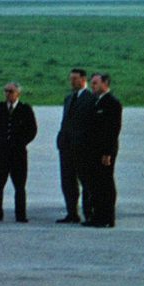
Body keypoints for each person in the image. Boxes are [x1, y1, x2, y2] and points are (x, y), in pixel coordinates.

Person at [0, 80, 37, 222]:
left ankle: (20, 214)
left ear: (18, 93)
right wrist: (3, 139)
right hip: (1, 151)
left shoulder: (25, 109)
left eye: (11, 91)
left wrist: (20, 142)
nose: (7, 94)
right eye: (6, 91)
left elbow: (32, 130)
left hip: (18, 153)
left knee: (20, 185)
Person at [83, 72, 122, 228]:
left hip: (105, 151)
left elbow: (113, 130)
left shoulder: (112, 103)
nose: (93, 86)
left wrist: (107, 152)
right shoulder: (97, 102)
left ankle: (108, 217)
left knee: (106, 183)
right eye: (92, 83)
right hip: (94, 150)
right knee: (96, 184)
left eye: (96, 83)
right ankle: (98, 216)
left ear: (105, 84)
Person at [55, 67, 92, 224]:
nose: (72, 81)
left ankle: (89, 213)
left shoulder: (90, 98)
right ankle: (72, 213)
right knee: (68, 181)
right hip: (67, 147)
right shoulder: (69, 98)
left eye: (75, 79)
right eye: (71, 79)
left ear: (84, 79)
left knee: (86, 182)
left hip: (82, 148)